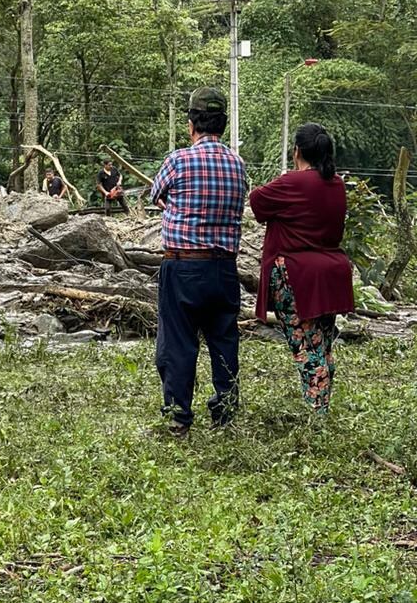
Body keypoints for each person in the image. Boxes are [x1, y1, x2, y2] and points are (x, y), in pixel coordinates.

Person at [149, 86, 247, 437]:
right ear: (223, 124)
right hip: (224, 268)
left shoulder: (177, 160)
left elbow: (156, 195)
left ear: (191, 124)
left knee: (178, 342)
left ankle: (179, 417)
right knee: (224, 340)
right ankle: (224, 415)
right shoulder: (237, 164)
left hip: (183, 266)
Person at [249, 123, 353, 414]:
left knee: (306, 348)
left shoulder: (292, 182)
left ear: (296, 151)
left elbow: (256, 201)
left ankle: (317, 415)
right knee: (322, 345)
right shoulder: (337, 184)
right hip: (331, 274)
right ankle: (321, 408)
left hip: (298, 275)